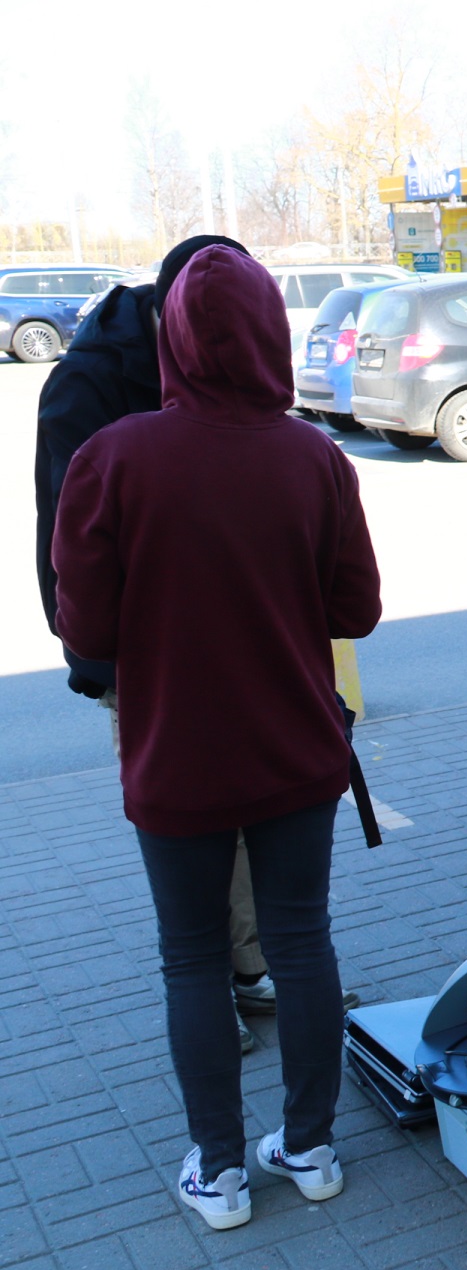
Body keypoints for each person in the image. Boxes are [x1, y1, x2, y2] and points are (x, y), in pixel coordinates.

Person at [52, 245, 382, 1232]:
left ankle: (221, 1169)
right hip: (296, 747)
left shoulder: (115, 458)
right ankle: (311, 1146)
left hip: (176, 755)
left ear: (176, 340)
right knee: (302, 940)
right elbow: (356, 610)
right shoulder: (315, 456)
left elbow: (86, 628)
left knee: (192, 956)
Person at [33, 234, 278, 1053]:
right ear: (172, 313)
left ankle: (250, 969)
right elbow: (66, 543)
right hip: (145, 655)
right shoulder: (90, 384)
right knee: (187, 830)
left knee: (247, 816)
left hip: (232, 641)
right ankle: (213, 988)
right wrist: (99, 666)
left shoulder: (218, 356)